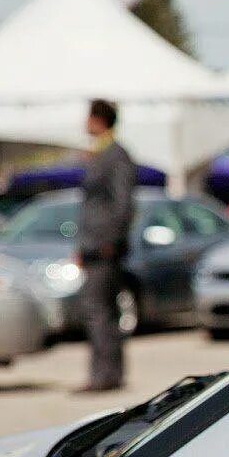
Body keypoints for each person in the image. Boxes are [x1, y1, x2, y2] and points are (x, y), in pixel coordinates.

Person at [75, 98, 137, 394]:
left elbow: (123, 203)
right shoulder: (99, 154)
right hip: (93, 246)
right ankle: (106, 373)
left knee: (100, 312)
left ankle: (105, 375)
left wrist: (110, 241)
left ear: (99, 120)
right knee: (101, 312)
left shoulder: (116, 155)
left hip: (104, 248)